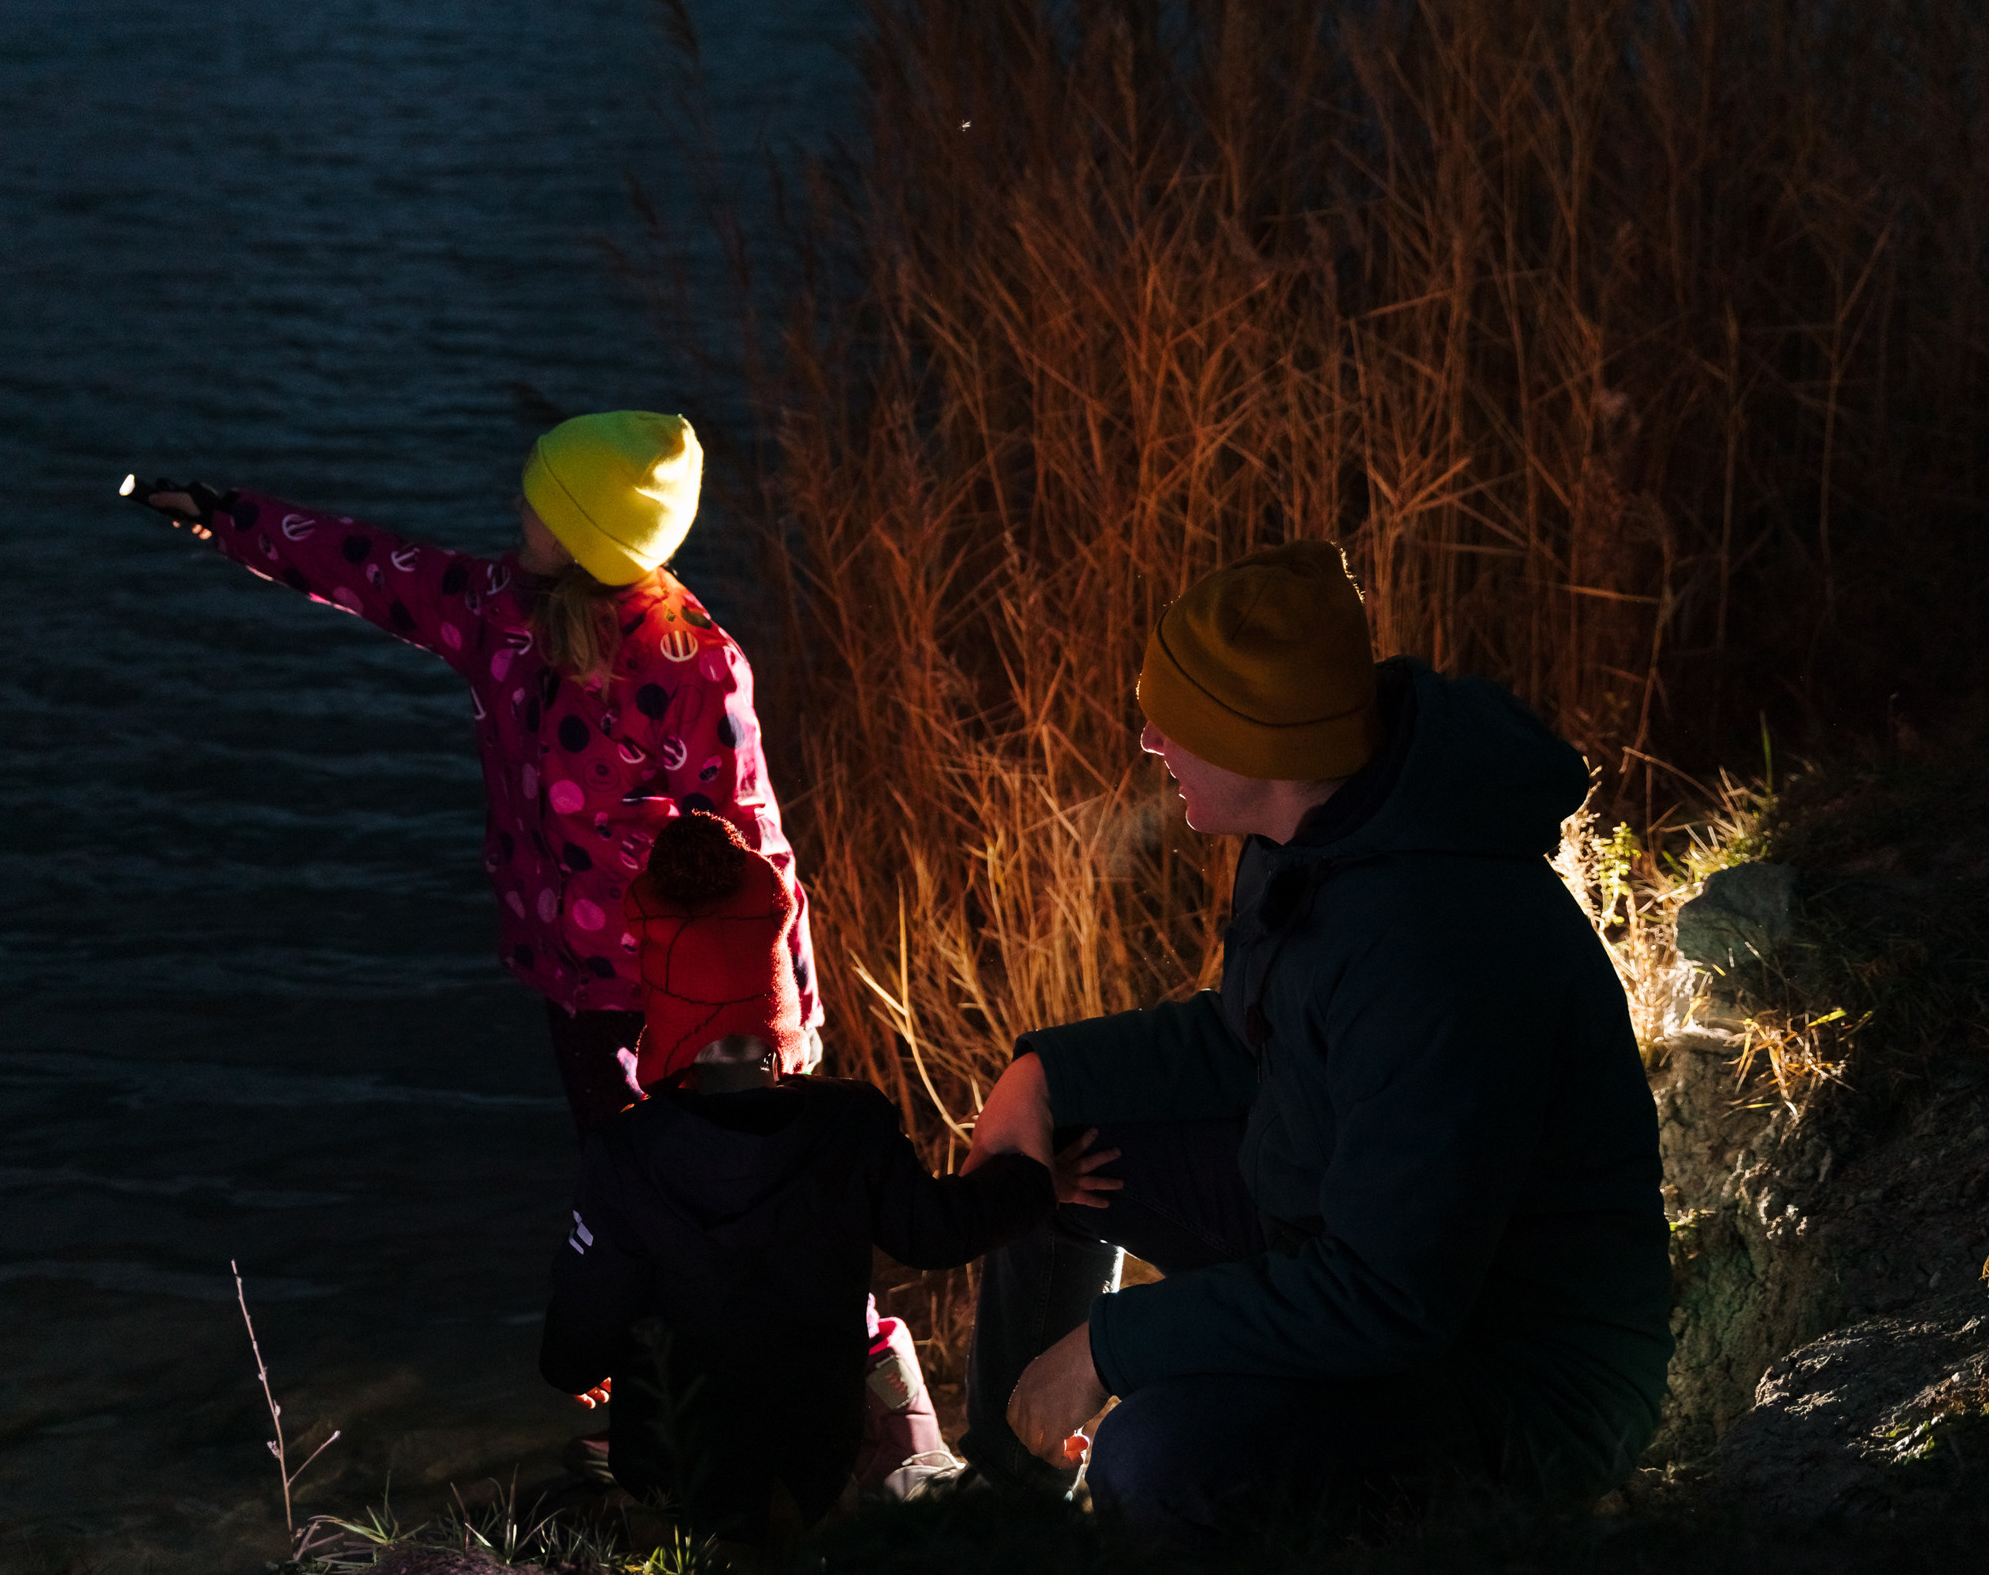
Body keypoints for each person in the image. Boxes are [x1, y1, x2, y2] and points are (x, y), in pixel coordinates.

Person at [956, 541, 1673, 1550]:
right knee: (1055, 1149)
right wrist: (1046, 1071)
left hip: (1509, 1379)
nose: (1149, 739)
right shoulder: (1323, 829)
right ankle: (999, 1515)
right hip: (1346, 1236)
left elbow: (1389, 1295)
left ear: (1261, 747)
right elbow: (1247, 1039)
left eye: (1179, 724)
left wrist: (1111, 1348)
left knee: (1158, 1460)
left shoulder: (1433, 948)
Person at [123, 410, 821, 1135]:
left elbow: (756, 851)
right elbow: (372, 567)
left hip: (670, 992)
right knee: (615, 1178)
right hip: (568, 976)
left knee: (671, 1185)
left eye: (539, 503)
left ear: (587, 539)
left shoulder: (693, 668)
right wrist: (228, 516)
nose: (517, 508)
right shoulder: (502, 610)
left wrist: (793, 1029)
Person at [540, 813, 1122, 1540]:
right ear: (776, 998)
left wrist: (585, 1360)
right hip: (815, 1458)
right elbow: (938, 1231)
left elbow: (579, 1326)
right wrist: (1041, 1184)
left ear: (664, 996)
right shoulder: (849, 1121)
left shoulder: (624, 1152)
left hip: (674, 1464)